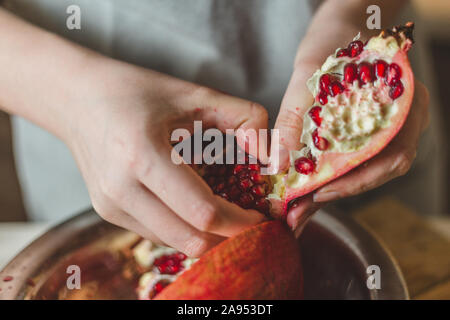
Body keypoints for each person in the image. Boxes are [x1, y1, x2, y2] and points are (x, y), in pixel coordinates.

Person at [0, 0, 437, 256]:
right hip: (85, 139)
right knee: (129, 263)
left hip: (358, 129)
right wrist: (73, 101)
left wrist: (354, 15)